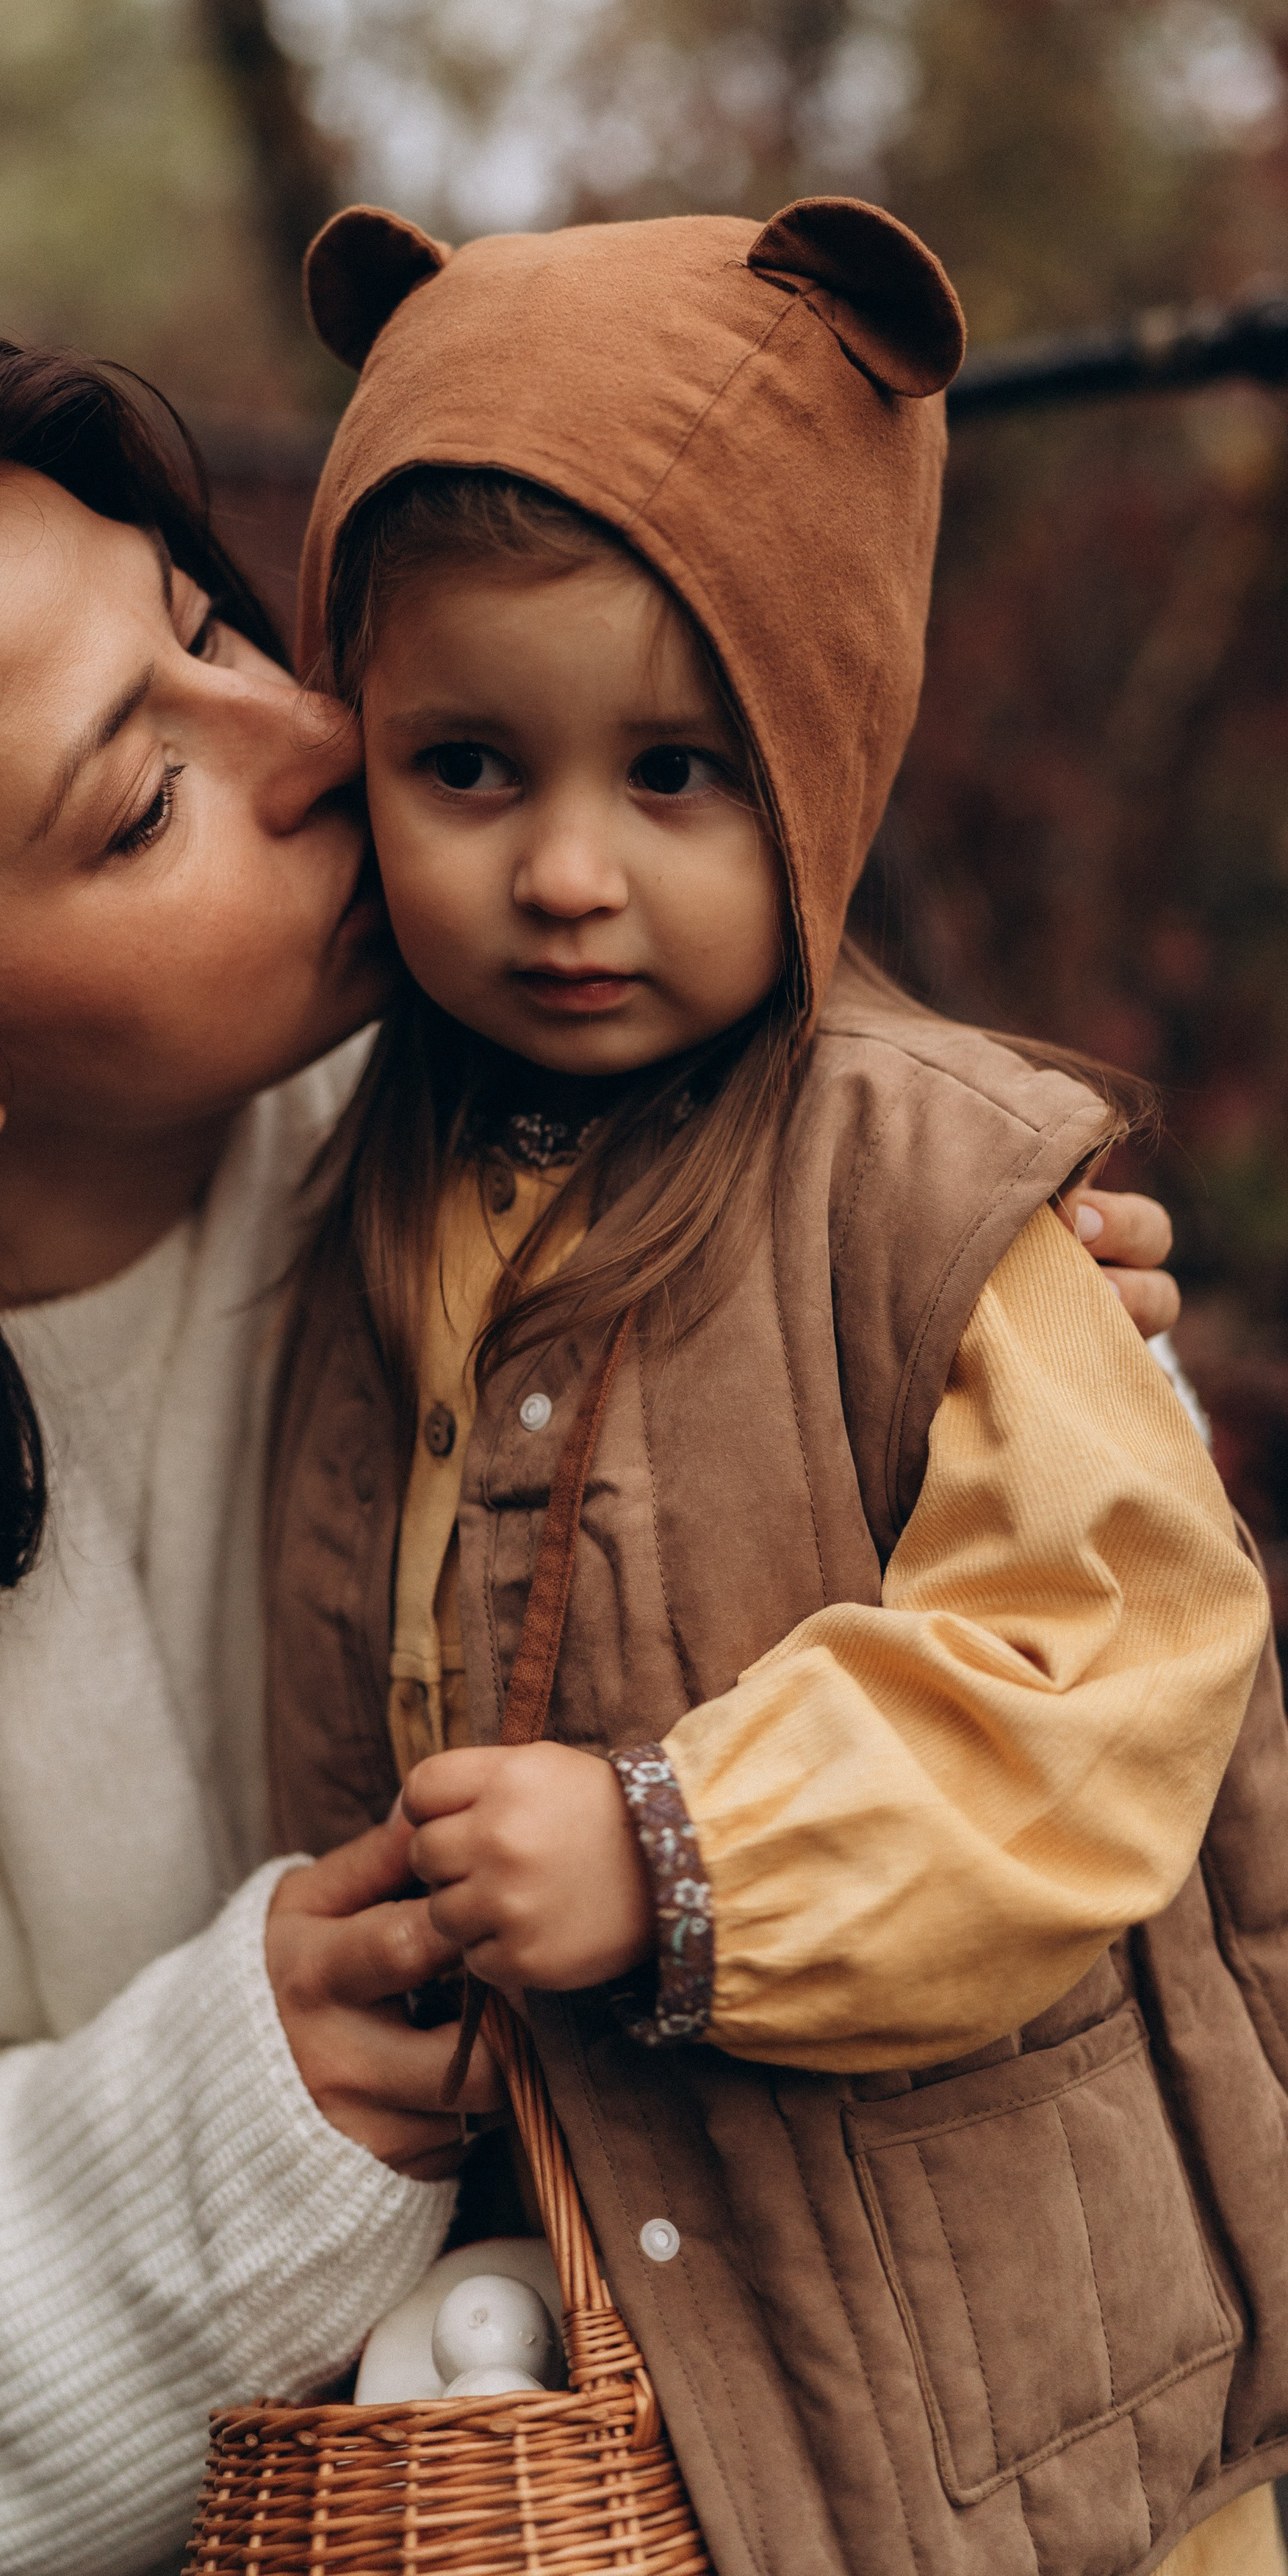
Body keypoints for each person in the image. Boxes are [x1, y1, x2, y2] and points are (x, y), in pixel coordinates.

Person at [0, 339, 1179, 2576]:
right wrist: (239, 2115)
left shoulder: (566, 1101)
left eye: (210, 627)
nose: (318, 738)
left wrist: (956, 1289)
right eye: (137, 805)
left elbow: (1055, 1646)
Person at [263, 197, 1285, 2576]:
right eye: (471, 768)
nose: (570, 876)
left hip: (1026, 2399)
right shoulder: (370, 1183)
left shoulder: (925, 1178)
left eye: (683, 772)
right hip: (653, 2361)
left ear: (823, 747)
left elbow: (1109, 1670)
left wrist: (681, 1851)